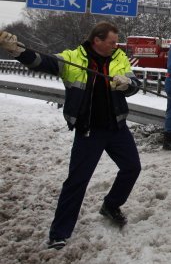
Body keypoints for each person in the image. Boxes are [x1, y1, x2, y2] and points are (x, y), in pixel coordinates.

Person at [0, 22, 142, 250]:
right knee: (77, 181)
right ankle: (59, 233)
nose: (116, 46)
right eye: (112, 42)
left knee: (132, 168)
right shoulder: (73, 58)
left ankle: (111, 205)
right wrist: (17, 50)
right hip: (89, 130)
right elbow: (41, 62)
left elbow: (134, 83)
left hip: (117, 127)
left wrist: (128, 84)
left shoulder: (119, 58)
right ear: (97, 40)